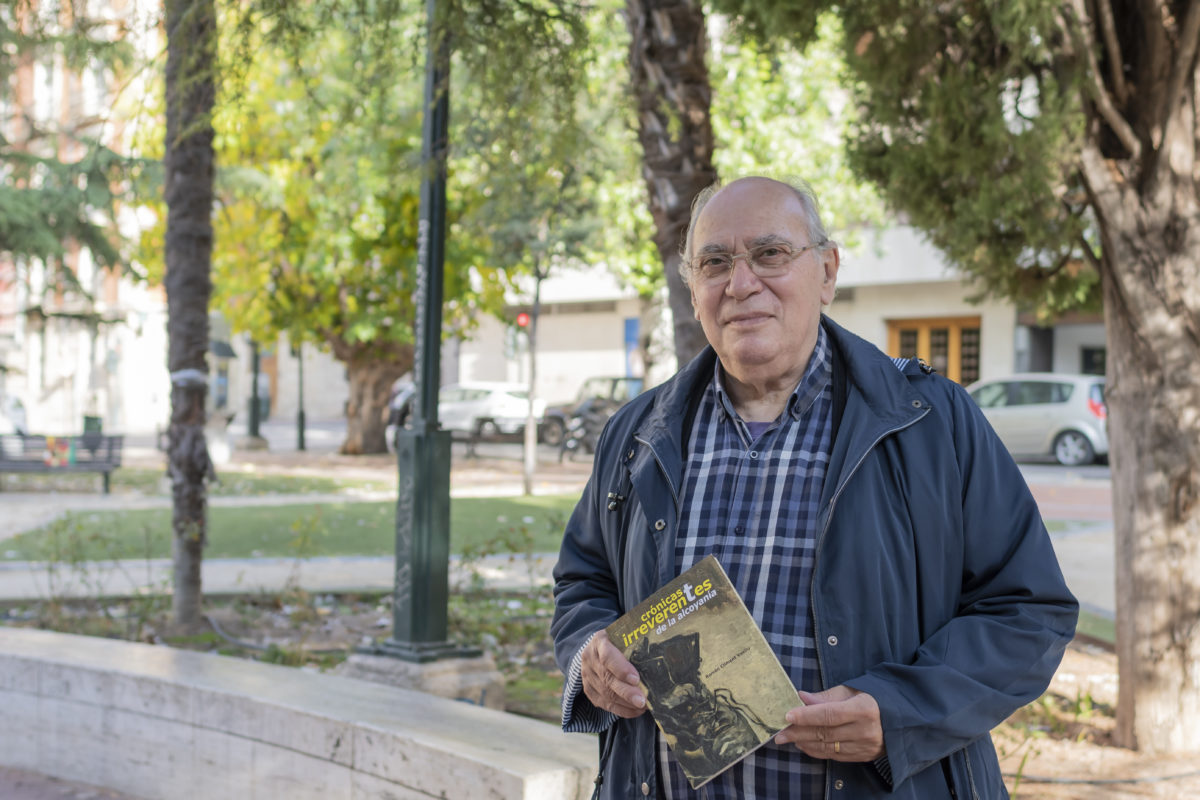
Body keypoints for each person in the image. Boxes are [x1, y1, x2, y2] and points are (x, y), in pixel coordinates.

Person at [550, 176, 1078, 799]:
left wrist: (900, 711)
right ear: (693, 290)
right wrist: (590, 654)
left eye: (770, 254)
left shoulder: (931, 423)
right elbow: (583, 582)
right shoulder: (637, 432)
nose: (741, 283)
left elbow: (1028, 610)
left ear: (826, 272)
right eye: (714, 262)